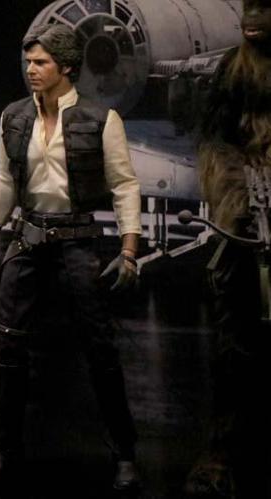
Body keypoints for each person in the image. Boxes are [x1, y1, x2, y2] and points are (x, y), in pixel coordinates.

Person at [0, 24, 142, 490]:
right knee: (9, 348)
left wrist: (129, 250)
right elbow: (6, 179)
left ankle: (125, 455)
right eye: (28, 62)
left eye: (41, 62)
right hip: (27, 237)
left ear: (66, 66)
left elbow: (124, 185)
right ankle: (4, 453)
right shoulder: (14, 117)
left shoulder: (100, 119)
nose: (31, 70)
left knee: (100, 347)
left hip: (77, 239)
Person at [187, 0, 271, 496]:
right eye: (250, 5)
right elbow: (215, 141)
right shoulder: (231, 70)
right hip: (244, 217)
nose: (254, 15)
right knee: (233, 342)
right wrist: (238, 198)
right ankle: (221, 455)